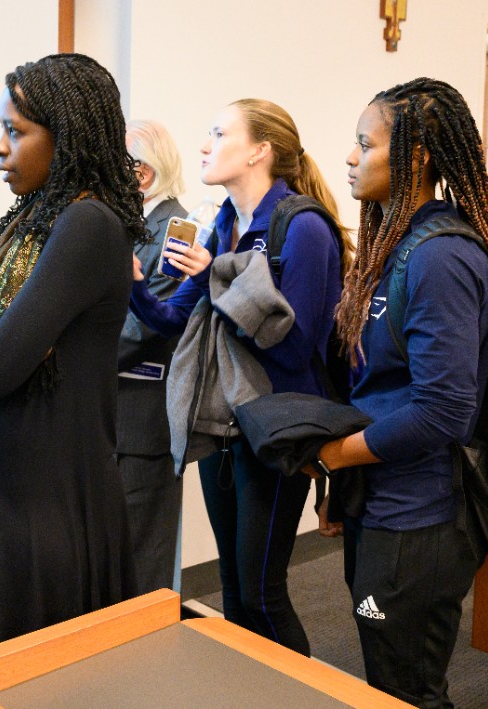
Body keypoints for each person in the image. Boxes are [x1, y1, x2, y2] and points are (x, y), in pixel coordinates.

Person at [317, 78, 488, 708]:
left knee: (408, 689)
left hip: (421, 516)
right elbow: (378, 387)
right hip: (379, 502)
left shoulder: (441, 258)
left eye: (364, 144)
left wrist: (336, 457)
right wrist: (343, 489)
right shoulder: (396, 247)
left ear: (414, 158)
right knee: (387, 680)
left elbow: (444, 411)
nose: (350, 157)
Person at [0, 52, 145, 650]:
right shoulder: (40, 218)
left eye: (16, 131)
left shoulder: (85, 223)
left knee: (42, 676)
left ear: (69, 137)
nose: (0, 149)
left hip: (47, 498)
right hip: (19, 488)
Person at [128, 99, 347, 655]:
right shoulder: (222, 222)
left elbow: (293, 346)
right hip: (223, 425)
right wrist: (130, 282)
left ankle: (300, 697)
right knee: (232, 590)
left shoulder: (303, 227)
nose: (204, 146)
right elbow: (174, 317)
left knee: (262, 593)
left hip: (277, 425)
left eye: (219, 133)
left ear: (259, 151)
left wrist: (219, 280)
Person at [116, 119, 188, 594]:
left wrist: (68, 353)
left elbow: (142, 326)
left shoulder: (180, 230)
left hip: (144, 414)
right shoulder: (129, 222)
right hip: (112, 408)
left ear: (141, 173)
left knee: (143, 554)